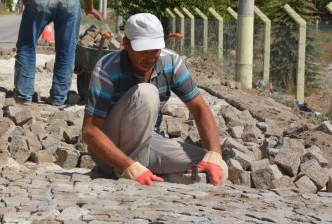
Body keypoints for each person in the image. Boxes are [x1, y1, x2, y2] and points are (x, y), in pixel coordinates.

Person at [81, 13, 227, 186]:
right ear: (126, 43)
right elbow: (90, 131)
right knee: (146, 93)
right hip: (109, 147)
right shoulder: (107, 69)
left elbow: (199, 109)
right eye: (143, 50)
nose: (151, 57)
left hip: (148, 141)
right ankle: (128, 170)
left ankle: (150, 175)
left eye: (155, 50)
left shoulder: (170, 62)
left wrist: (215, 153)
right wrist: (129, 165)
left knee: (217, 168)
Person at [14, 0, 103, 107]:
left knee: (26, 46)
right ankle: (58, 98)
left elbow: (26, 1)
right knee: (67, 49)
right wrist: (89, 8)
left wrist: (43, 15)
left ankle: (24, 97)